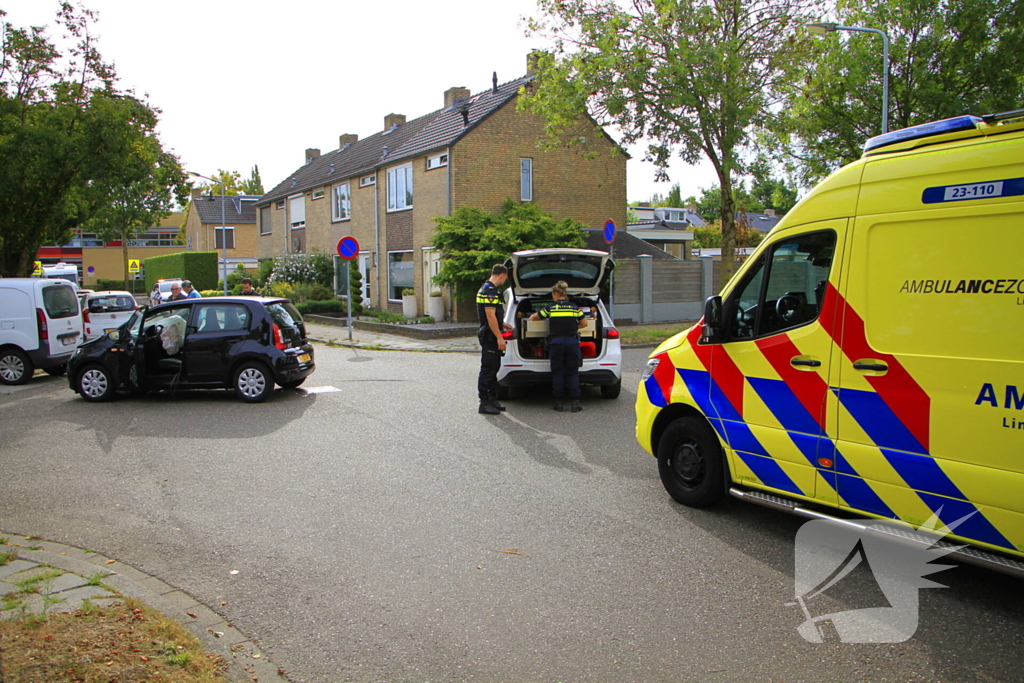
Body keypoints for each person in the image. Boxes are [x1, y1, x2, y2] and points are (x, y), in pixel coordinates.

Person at [530, 280, 587, 412]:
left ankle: (559, 403)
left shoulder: (551, 308)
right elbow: (584, 324)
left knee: (558, 373)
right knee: (573, 373)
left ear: (556, 294)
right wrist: (572, 327)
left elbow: (534, 318)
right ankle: (575, 403)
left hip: (556, 343)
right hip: (572, 343)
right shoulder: (574, 307)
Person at [476, 264, 513, 415]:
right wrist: (499, 337)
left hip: (492, 332)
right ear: (502, 275)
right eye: (505, 278)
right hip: (490, 336)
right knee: (488, 369)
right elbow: (489, 316)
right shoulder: (489, 291)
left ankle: (492, 399)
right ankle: (484, 403)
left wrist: (502, 323)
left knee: (494, 368)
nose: (504, 281)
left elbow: (491, 315)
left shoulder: (488, 288)